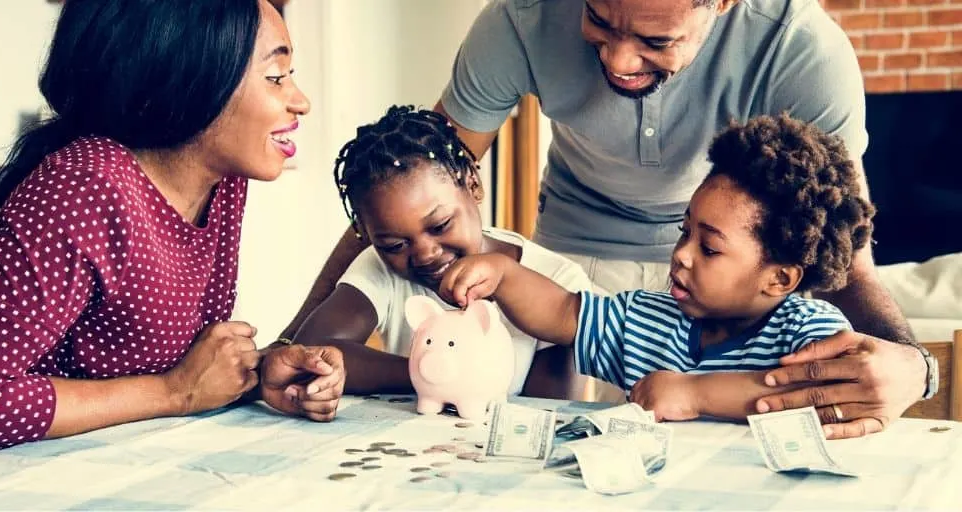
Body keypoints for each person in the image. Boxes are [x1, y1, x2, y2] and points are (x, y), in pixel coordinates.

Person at [280, 0, 937, 439]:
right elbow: (410, 183)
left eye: (656, 39)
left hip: (734, 259)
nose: (618, 61)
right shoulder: (522, 19)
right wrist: (289, 346)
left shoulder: (800, 49)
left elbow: (840, 249)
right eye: (599, 19)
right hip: (576, 259)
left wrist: (915, 365)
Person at [0, 0, 346, 466]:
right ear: (191, 76)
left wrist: (259, 371)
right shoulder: (84, 187)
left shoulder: (220, 182)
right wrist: (174, 393)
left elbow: (184, 364)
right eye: (276, 76)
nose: (301, 100)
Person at [440, 114, 877, 425]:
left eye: (709, 248)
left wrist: (693, 394)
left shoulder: (811, 334)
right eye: (684, 232)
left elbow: (813, 397)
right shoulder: (647, 320)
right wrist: (503, 275)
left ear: (779, 279)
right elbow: (562, 314)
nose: (681, 254)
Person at [262, 105, 591, 399]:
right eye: (394, 245)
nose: (425, 254)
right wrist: (428, 373)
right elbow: (314, 351)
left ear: (473, 185)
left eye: (441, 225)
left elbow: (549, 408)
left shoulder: (558, 281)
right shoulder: (380, 268)